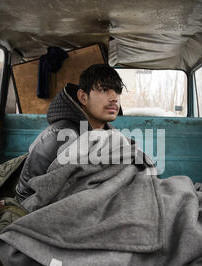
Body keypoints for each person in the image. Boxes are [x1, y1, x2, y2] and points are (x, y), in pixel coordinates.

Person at [14, 64, 125, 202]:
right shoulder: (58, 136)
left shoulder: (111, 136)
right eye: (104, 89)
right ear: (83, 97)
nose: (114, 98)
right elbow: (26, 194)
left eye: (117, 91)